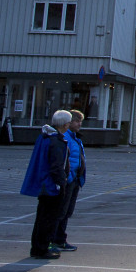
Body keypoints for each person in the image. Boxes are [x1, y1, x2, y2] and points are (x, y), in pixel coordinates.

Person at [19, 109, 74, 260]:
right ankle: (42, 249)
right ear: (64, 124)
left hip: (44, 184)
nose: (69, 125)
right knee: (48, 219)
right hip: (51, 186)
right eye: (69, 122)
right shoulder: (57, 141)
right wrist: (61, 182)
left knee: (42, 218)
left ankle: (37, 247)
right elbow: (57, 166)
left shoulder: (45, 137)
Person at [51, 108, 88, 252]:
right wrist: (68, 177)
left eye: (80, 121)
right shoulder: (64, 137)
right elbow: (65, 160)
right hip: (68, 180)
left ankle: (60, 239)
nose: (79, 124)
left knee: (67, 212)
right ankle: (54, 239)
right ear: (68, 122)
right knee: (60, 211)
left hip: (75, 179)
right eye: (76, 121)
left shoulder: (74, 137)